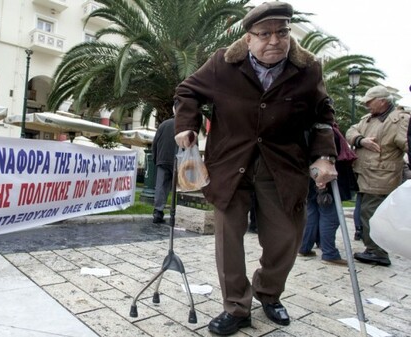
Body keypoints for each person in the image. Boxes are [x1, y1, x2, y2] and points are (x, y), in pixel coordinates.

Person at [173, 2, 337, 335]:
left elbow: (323, 116)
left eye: (282, 32)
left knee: (286, 238)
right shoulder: (223, 63)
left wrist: (324, 156)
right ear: (249, 38)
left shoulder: (308, 70)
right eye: (265, 33)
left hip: (283, 167)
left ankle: (268, 293)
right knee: (228, 239)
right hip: (230, 164)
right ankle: (236, 306)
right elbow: (187, 91)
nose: (274, 40)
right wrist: (185, 125)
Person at [346, 85, 410, 267]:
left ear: (382, 101)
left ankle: (377, 251)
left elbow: (407, 144)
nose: (367, 105)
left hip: (382, 176)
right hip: (365, 174)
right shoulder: (368, 119)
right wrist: (361, 140)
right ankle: (373, 249)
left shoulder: (399, 121)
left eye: (370, 102)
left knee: (370, 212)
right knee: (366, 211)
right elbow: (351, 131)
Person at [299, 125, 355, 266]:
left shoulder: (307, 127)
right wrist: (321, 180)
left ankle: (304, 247)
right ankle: (329, 253)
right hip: (324, 178)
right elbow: (323, 154)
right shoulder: (324, 130)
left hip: (311, 177)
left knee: (312, 213)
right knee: (330, 216)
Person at [151, 117, 176, 224]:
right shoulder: (187, 125)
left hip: (163, 159)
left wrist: (155, 158)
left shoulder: (163, 124)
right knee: (180, 187)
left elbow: (155, 143)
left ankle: (158, 212)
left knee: (161, 186)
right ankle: (177, 213)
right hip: (180, 160)